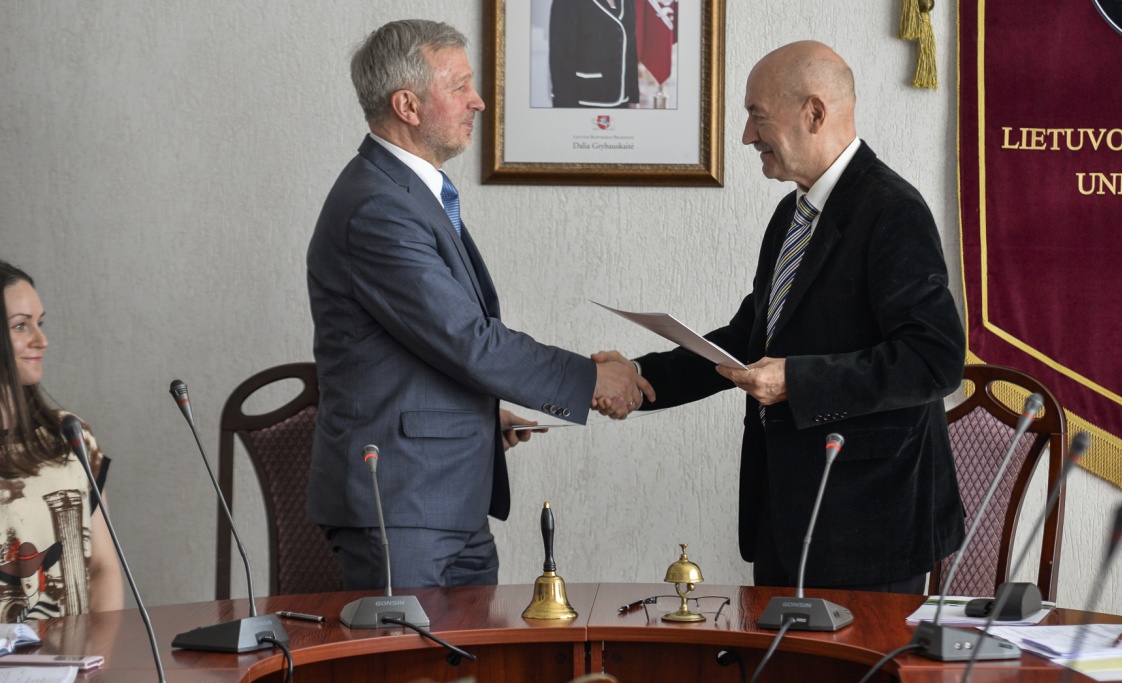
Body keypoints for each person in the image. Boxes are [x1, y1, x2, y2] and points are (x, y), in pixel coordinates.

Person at [598, 41, 967, 593]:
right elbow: (749, 338)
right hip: (785, 518)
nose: (747, 135)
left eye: (758, 116)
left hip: (869, 529)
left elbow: (934, 360)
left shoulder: (893, 210)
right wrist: (643, 377)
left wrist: (796, 380)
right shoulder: (791, 214)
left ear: (814, 113)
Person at [306, 19, 651, 590]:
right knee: (408, 651)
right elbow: (467, 339)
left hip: (445, 500)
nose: (479, 101)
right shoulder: (378, 208)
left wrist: (478, 418)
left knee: (473, 649)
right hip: (401, 505)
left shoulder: (406, 193)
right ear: (407, 105)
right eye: (460, 85)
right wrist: (590, 378)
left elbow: (422, 347)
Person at [0, 260, 123, 621]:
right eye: (21, 325)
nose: (42, 340)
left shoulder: (70, 438)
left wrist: (100, 651)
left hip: (77, 655)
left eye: (40, 323)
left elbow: (103, 568)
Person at [548, 0, 640, 108]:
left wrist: (633, 98)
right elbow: (561, 60)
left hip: (622, 101)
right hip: (584, 101)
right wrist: (566, 108)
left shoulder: (627, 1)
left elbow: (631, 51)